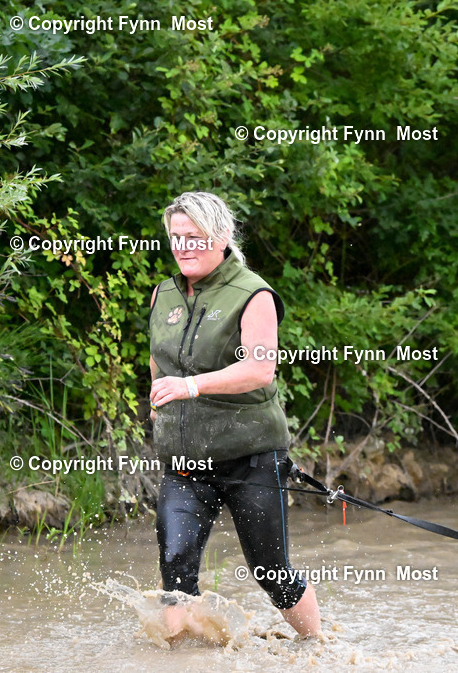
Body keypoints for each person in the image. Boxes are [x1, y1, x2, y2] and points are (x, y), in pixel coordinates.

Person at [147, 191, 322, 640]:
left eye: (194, 237)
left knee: (272, 572)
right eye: (176, 237)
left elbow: (259, 369)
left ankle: (317, 649)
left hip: (250, 455)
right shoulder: (163, 294)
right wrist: (161, 402)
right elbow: (160, 362)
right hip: (185, 462)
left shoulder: (253, 293)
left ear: (222, 236)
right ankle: (176, 661)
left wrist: (191, 386)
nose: (183, 246)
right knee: (175, 565)